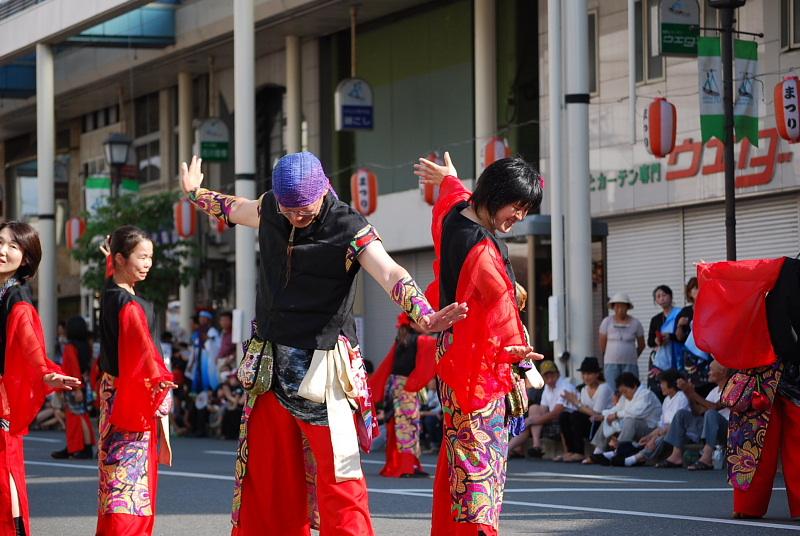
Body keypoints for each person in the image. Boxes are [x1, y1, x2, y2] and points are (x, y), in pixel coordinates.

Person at [182, 152, 465, 535]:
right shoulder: (272, 209)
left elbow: (389, 271)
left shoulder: (349, 226)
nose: (295, 217)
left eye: (304, 209)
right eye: (288, 209)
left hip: (326, 373)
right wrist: (195, 193)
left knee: (341, 479)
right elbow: (234, 207)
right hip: (269, 370)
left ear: (323, 190)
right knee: (269, 477)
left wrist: (424, 315)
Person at [415, 151, 543, 535]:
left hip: (456, 354)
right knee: (479, 458)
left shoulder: (457, 214)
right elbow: (503, 309)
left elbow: (453, 194)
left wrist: (449, 177)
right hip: (477, 365)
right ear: (495, 194)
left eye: (526, 210)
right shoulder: (482, 249)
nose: (519, 216)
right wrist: (519, 355)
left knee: (460, 449)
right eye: (517, 206)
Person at [0, 221, 80, 535]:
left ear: (27, 259)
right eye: (0, 242)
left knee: (5, 470)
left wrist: (44, 372)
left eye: (13, 246)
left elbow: (28, 340)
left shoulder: (17, 298)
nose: (3, 250)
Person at [96, 226, 177, 536]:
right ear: (120, 259)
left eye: (150, 257)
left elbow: (111, 275)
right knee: (129, 480)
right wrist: (159, 379)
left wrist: (109, 259)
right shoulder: (130, 305)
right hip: (132, 396)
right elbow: (144, 350)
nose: (148, 264)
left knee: (113, 474)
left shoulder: (112, 293)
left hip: (113, 393)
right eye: (141, 257)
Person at [370, 314, 437, 478]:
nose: (427, 325)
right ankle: (406, 467)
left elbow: (387, 365)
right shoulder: (421, 340)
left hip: (395, 387)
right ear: (412, 324)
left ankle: (398, 464)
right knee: (408, 426)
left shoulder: (401, 340)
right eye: (422, 322)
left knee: (398, 426)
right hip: (406, 388)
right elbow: (429, 361)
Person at [658, 360, 731, 470]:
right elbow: (698, 411)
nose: (708, 373)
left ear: (723, 372)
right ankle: (676, 455)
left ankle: (707, 457)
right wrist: (688, 394)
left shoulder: (731, 389)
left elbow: (714, 407)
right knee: (681, 414)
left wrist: (692, 393)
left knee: (711, 413)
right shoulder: (714, 391)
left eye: (711, 370)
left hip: (727, 430)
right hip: (710, 428)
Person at [508, 360, 576, 459]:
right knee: (534, 409)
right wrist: (532, 420)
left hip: (566, 419)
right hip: (552, 419)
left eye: (552, 375)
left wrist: (531, 421)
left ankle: (508, 450)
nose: (549, 379)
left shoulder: (565, 387)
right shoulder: (547, 388)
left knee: (529, 420)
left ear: (558, 373)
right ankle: (535, 446)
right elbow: (543, 410)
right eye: (546, 376)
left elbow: (557, 413)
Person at [590, 372, 661, 465]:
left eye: (625, 391)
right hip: (631, 428)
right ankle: (597, 452)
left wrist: (615, 415)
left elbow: (636, 413)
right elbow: (617, 408)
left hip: (650, 429)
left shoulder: (646, 394)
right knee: (608, 419)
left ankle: (619, 450)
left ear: (634, 386)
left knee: (631, 420)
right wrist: (603, 415)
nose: (624, 394)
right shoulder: (625, 396)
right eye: (622, 392)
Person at [51, 316, 96, 460]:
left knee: (77, 417)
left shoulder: (70, 347)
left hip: (73, 385)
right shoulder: (85, 346)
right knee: (80, 416)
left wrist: (77, 388)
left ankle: (82, 448)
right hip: (82, 385)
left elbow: (74, 368)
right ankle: (75, 447)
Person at [624, 368, 689, 467]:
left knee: (659, 439)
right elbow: (662, 425)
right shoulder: (666, 400)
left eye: (663, 383)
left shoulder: (681, 397)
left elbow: (673, 426)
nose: (660, 386)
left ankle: (637, 458)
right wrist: (649, 436)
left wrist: (653, 438)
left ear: (672, 384)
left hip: (681, 434)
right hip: (666, 432)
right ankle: (621, 452)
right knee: (646, 440)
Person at [560, 357, 614, 463]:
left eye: (589, 374)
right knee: (564, 416)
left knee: (576, 416)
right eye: (583, 374)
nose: (585, 377)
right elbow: (584, 410)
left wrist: (576, 402)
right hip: (590, 422)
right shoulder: (584, 389)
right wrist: (580, 406)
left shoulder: (604, 388)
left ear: (597, 374)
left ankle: (579, 452)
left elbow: (596, 413)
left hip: (601, 425)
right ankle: (570, 451)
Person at [599, 293, 645, 388]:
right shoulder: (606, 322)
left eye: (622, 306)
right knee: (611, 389)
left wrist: (633, 355)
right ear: (613, 307)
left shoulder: (635, 323)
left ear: (627, 307)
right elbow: (602, 344)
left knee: (630, 388)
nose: (620, 309)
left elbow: (642, 344)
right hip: (611, 363)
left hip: (630, 363)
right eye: (617, 306)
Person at [647, 285, 685, 393]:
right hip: (661, 360)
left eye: (664, 295)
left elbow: (685, 336)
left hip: (679, 356)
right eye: (658, 296)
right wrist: (656, 340)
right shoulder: (655, 319)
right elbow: (650, 342)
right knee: (659, 389)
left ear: (671, 296)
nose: (662, 298)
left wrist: (670, 337)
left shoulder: (680, 314)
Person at [674, 278, 711, 385]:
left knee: (709, 383)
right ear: (689, 292)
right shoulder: (685, 311)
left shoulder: (711, 308)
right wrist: (679, 325)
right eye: (695, 288)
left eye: (700, 287)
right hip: (690, 355)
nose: (699, 290)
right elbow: (679, 337)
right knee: (693, 384)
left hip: (708, 352)